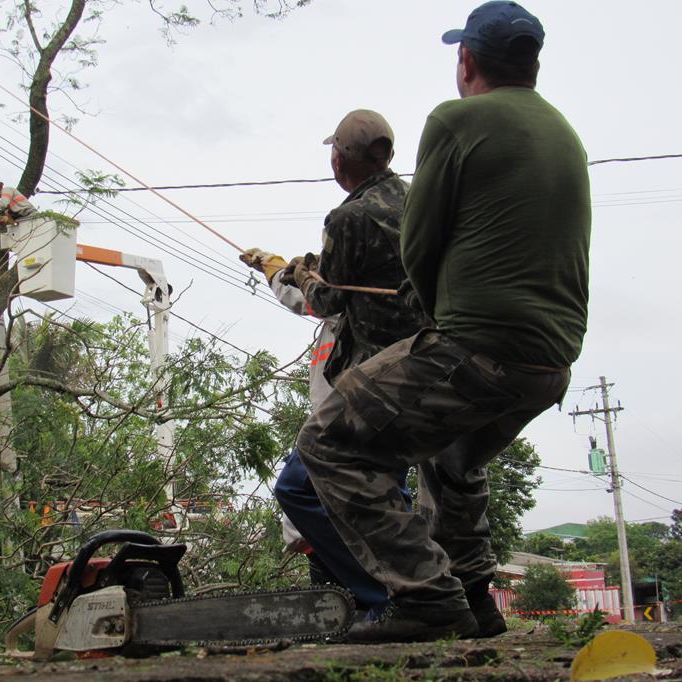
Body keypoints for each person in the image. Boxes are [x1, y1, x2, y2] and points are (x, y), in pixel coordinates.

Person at [295, 1, 591, 643]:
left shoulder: (457, 119)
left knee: (327, 443)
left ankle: (429, 599)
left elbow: (418, 249)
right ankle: (478, 601)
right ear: (532, 62)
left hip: (482, 346)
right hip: (553, 361)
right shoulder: (565, 131)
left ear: (467, 61)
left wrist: (436, 327)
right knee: (453, 455)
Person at [240, 108, 424, 612]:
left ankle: (382, 598)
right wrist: (285, 272)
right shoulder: (416, 203)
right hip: (421, 372)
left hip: (368, 382)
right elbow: (329, 291)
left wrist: (294, 272)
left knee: (299, 486)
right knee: (384, 492)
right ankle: (382, 599)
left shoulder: (349, 218)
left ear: (341, 161)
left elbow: (325, 300)